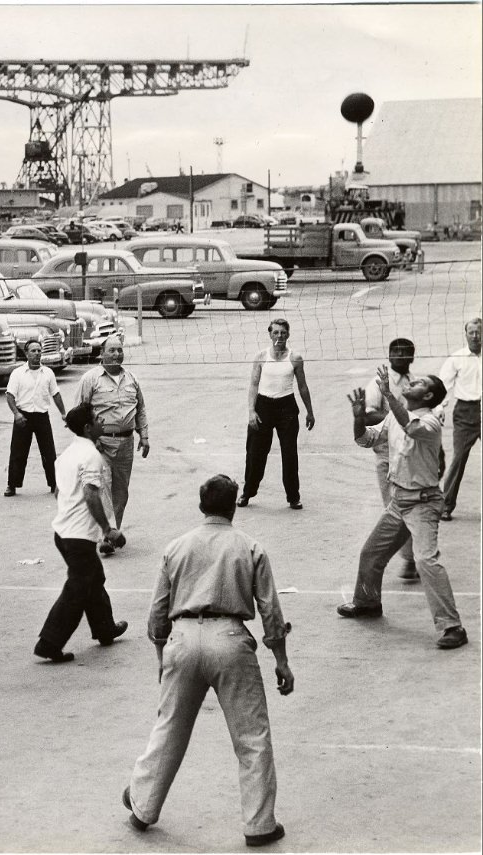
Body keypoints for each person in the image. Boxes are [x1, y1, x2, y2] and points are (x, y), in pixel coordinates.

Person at [123, 474, 293, 847]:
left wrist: (161, 655)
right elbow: (270, 612)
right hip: (231, 639)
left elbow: (157, 614)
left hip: (182, 638)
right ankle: (259, 824)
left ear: (202, 506)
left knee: (170, 727)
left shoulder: (177, 547)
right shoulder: (249, 547)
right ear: (233, 506)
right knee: (251, 737)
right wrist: (281, 659)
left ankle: (143, 805)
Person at [339, 369, 468, 649]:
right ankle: (367, 602)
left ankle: (453, 627)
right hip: (399, 501)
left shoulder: (431, 421)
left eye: (420, 383)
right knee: (371, 553)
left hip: (423, 503)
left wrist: (387, 394)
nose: (412, 382)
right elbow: (366, 439)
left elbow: (410, 426)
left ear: (429, 395)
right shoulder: (394, 418)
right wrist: (358, 417)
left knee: (425, 561)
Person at [34, 403, 128, 662]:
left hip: (62, 532)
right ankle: (49, 642)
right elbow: (90, 495)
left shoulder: (66, 455)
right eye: (98, 419)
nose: (102, 421)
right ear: (88, 428)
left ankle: (105, 629)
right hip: (78, 538)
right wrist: (107, 530)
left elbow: (58, 492)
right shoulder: (91, 456)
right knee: (78, 588)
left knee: (93, 579)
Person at [75, 335, 150, 554]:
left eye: (119, 350)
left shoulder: (131, 379)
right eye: (112, 351)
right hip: (102, 444)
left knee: (121, 492)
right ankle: (106, 536)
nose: (117, 354)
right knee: (103, 489)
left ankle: (111, 529)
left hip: (127, 443)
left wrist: (144, 436)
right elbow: (79, 413)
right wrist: (91, 441)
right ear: (102, 354)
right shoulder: (90, 379)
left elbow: (141, 409)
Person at [238, 319, 314, 509]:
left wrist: (310, 412)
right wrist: (251, 411)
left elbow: (303, 387)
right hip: (263, 406)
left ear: (288, 335)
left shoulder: (295, 358)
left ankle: (293, 497)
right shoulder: (261, 356)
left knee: (289, 453)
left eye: (283, 333)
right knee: (255, 452)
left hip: (286, 407)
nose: (279, 336)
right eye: (276, 333)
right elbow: (254, 385)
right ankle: (247, 492)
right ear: (270, 335)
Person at [364, 339, 420, 581]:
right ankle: (405, 559)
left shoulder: (415, 383)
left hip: (411, 455)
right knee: (394, 510)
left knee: (411, 509)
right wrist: (397, 417)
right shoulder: (377, 384)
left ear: (411, 357)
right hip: (387, 457)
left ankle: (409, 558)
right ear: (389, 356)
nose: (399, 356)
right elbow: (368, 417)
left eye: (405, 353)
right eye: (395, 352)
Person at [4, 339, 66, 497]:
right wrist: (16, 414)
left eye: (39, 351)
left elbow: (56, 394)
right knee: (18, 452)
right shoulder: (17, 373)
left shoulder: (48, 373)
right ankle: (12, 485)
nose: (37, 354)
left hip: (41, 416)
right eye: (33, 351)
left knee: (49, 452)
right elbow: (10, 395)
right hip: (22, 417)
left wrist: (64, 413)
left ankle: (54, 484)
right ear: (26, 353)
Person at [439, 317, 481, 521]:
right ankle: (445, 506)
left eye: (479, 332)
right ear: (465, 334)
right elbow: (442, 386)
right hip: (466, 412)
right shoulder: (457, 358)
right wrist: (439, 407)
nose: (475, 336)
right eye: (471, 332)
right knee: (458, 459)